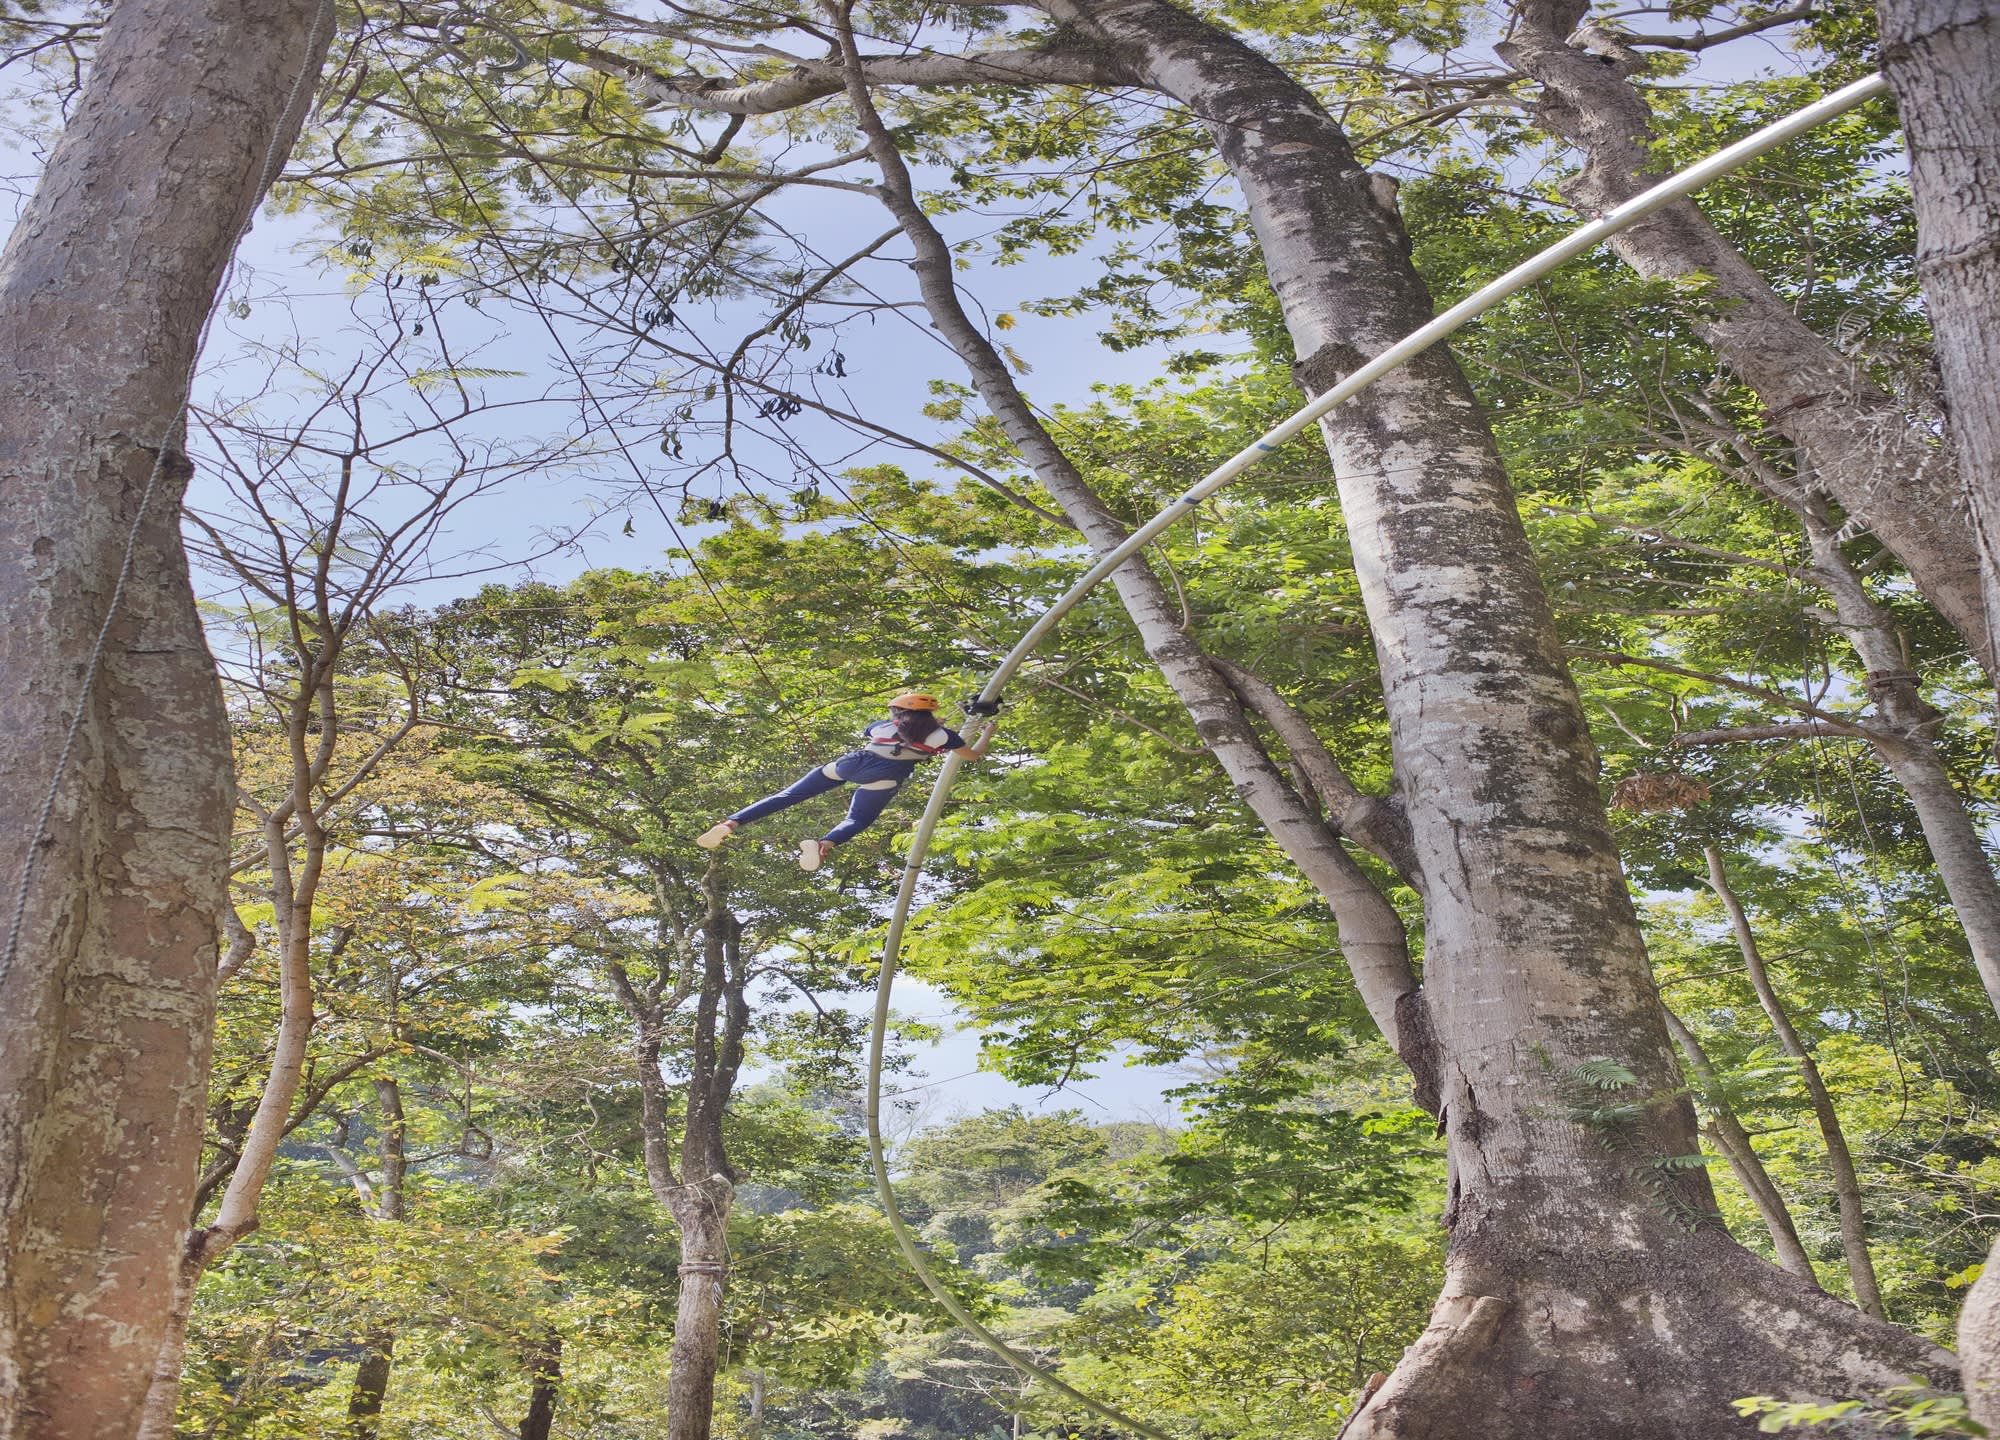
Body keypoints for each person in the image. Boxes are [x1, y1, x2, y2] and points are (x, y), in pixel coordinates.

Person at [696, 692, 996, 870]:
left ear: (898, 712)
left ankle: (730, 824)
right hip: (886, 775)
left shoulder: (883, 726)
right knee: (856, 819)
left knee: (786, 796)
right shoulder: (944, 736)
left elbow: (882, 731)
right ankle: (823, 843)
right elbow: (972, 755)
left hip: (852, 764)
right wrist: (987, 732)